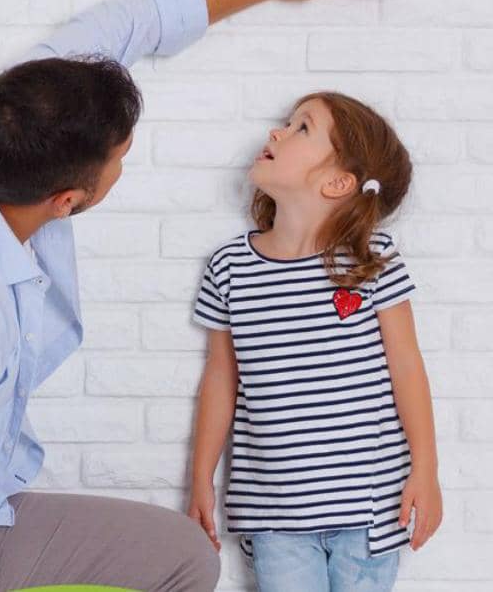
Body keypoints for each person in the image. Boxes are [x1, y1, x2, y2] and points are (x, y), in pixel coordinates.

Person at [0, 0, 412, 592]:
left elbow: (140, 17)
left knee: (185, 557)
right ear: (67, 201)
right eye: (120, 159)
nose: (123, 164)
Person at [188, 91, 444, 591]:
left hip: (370, 509)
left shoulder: (372, 261)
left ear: (338, 182)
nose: (276, 132)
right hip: (275, 512)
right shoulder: (230, 267)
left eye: (301, 128)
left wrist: (426, 469)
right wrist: (201, 476)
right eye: (288, 123)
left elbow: (407, 367)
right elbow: (220, 378)